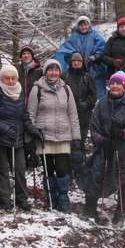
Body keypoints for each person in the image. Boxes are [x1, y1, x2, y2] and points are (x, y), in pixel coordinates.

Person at [82, 71, 125, 225]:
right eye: (113, 83)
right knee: (95, 173)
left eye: (119, 83)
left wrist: (123, 133)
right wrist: (101, 140)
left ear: (124, 85)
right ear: (109, 85)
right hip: (104, 145)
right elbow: (94, 126)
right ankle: (90, 208)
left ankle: (121, 212)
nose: (115, 86)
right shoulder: (101, 103)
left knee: (123, 178)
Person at [0, 64, 41, 212]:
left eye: (13, 78)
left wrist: (33, 130)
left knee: (20, 168)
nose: (10, 81)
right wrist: (6, 129)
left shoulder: (19, 91)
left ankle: (22, 198)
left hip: (17, 136)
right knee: (2, 169)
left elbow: (24, 116)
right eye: (7, 78)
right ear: (1, 78)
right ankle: (5, 201)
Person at [27, 59, 80, 213]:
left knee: (63, 169)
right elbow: (30, 114)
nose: (53, 72)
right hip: (44, 137)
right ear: (45, 72)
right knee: (48, 169)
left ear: (59, 72)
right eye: (50, 69)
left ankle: (63, 198)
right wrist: (32, 135)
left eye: (56, 70)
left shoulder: (66, 89)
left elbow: (73, 114)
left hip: (63, 136)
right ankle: (51, 198)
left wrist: (76, 138)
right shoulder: (36, 90)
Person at [54, 15, 108, 99]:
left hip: (93, 67)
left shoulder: (95, 35)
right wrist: (72, 58)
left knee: (95, 89)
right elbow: (64, 50)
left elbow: (103, 48)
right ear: (78, 26)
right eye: (81, 25)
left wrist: (95, 57)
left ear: (89, 25)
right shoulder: (74, 37)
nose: (83, 27)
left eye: (85, 25)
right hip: (78, 68)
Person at [63, 52, 97, 151]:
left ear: (82, 63)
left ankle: (80, 163)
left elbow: (93, 95)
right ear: (71, 62)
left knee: (80, 143)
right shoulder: (64, 76)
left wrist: (87, 103)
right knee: (68, 143)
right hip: (66, 115)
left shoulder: (88, 77)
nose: (76, 63)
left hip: (83, 115)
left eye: (78, 61)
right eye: (74, 61)